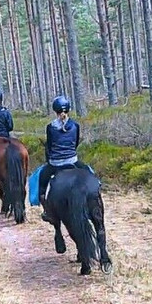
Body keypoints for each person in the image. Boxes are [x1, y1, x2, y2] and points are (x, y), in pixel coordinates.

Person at [38, 95, 93, 225]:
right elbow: (75, 144)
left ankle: (47, 211)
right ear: (68, 109)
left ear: (55, 110)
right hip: (73, 161)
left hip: (55, 164)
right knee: (90, 172)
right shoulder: (75, 125)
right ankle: (93, 201)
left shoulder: (50, 127)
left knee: (42, 181)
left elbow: (50, 146)